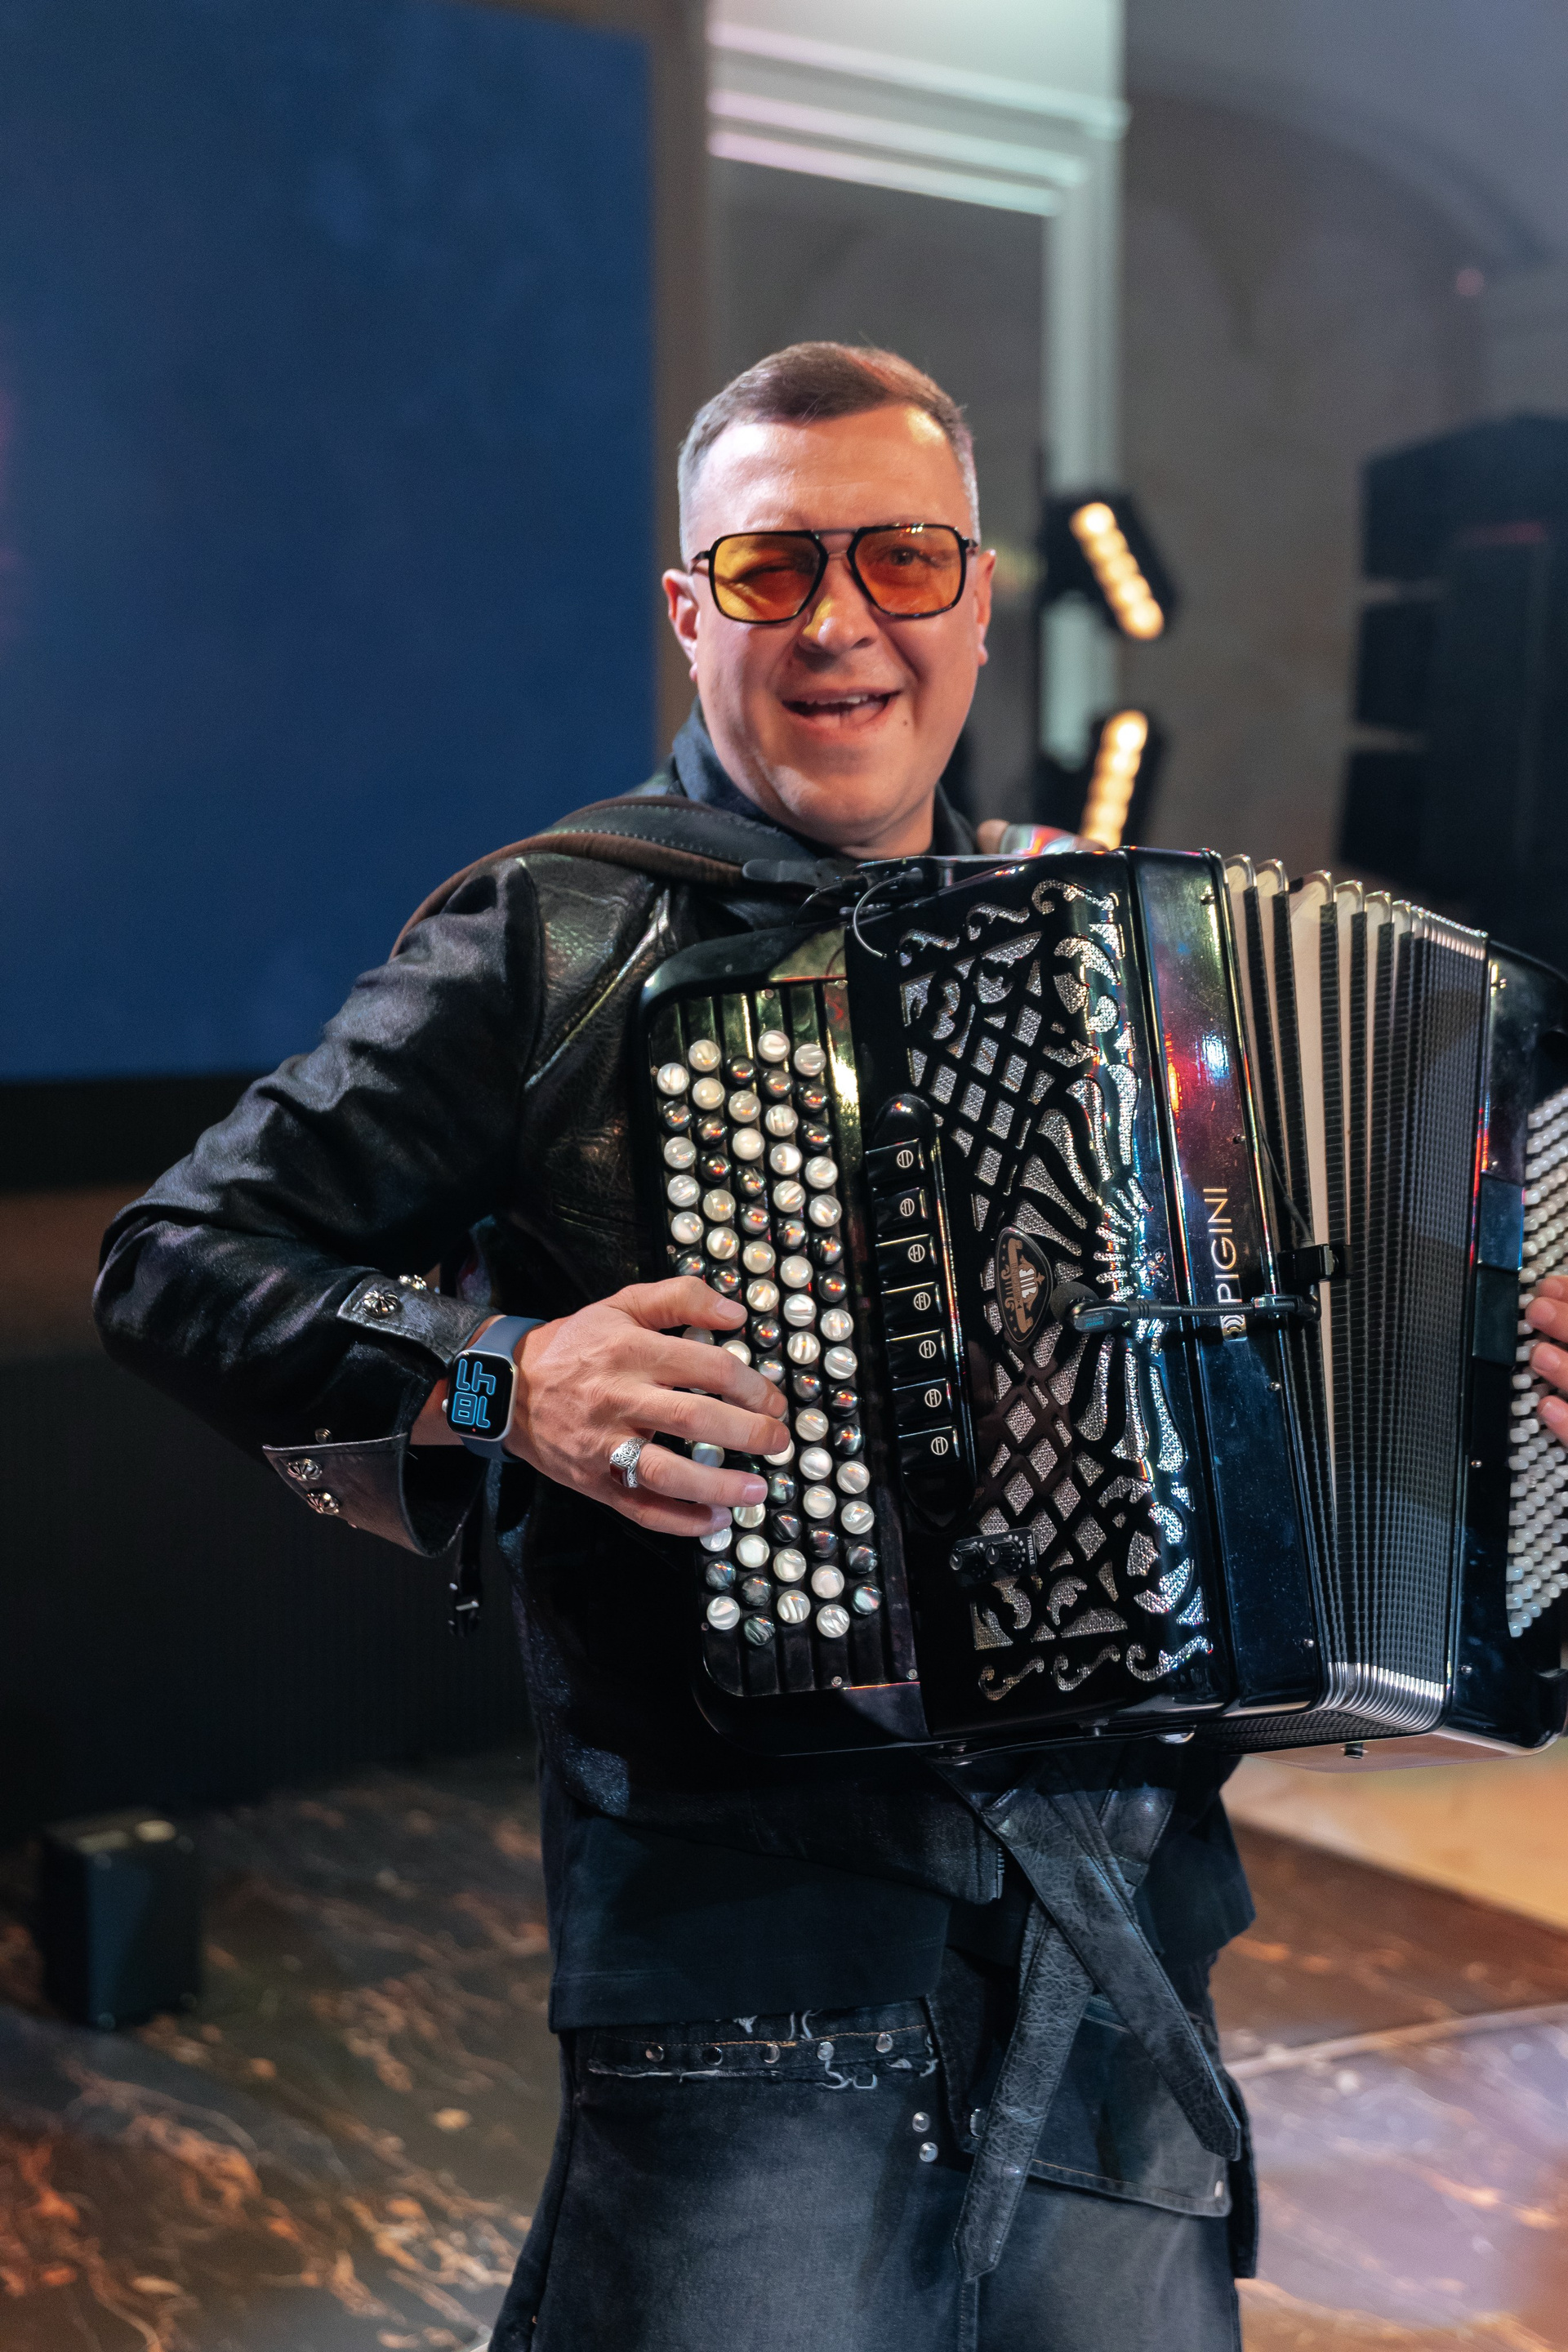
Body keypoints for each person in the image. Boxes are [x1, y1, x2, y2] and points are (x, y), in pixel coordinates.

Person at [94, 343, 1568, 2352]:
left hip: (1118, 1949)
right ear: (691, 611)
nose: (842, 621)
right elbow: (177, 1259)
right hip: (745, 1963)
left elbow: (1303, 1369)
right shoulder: (558, 932)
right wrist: (501, 1376)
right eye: (775, 567)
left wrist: (1501, 1404)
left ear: (977, 601)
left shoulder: (1116, 942)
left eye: (903, 559)